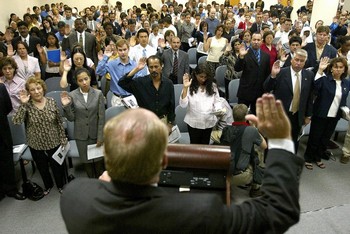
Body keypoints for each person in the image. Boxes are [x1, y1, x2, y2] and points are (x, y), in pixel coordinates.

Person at [60, 93, 304, 234]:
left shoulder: (75, 197)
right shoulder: (199, 213)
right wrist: (282, 141)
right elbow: (279, 211)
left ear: (107, 158)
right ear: (165, 160)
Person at [13, 77, 67, 195]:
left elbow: (59, 122)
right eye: (32, 90)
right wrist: (22, 105)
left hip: (54, 140)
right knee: (42, 168)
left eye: (38, 88)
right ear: (29, 92)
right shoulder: (26, 105)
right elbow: (16, 121)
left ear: (43, 88)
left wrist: (63, 139)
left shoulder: (52, 101)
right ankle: (48, 186)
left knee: (57, 166)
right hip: (36, 143)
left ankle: (60, 185)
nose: (36, 92)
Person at [304, 57, 350, 170]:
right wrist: (320, 70)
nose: (338, 70)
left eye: (341, 67)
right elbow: (315, 87)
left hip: (335, 116)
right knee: (315, 137)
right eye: (335, 67)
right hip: (321, 114)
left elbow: (342, 100)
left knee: (325, 139)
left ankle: (318, 158)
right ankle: (308, 158)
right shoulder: (325, 79)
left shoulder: (346, 83)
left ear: (344, 69)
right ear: (331, 68)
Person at [264, 49, 314, 151]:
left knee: (293, 141)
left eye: (302, 61)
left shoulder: (309, 75)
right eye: (296, 59)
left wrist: (308, 115)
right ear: (291, 59)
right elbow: (266, 88)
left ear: (305, 62)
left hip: (297, 115)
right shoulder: (281, 72)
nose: (298, 63)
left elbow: (309, 96)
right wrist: (273, 75)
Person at [61, 68, 105, 178]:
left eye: (86, 79)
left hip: (96, 134)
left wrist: (100, 137)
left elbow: (101, 117)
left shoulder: (98, 94)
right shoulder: (72, 95)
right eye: (81, 80)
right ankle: (91, 185)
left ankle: (101, 186)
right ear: (77, 82)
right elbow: (71, 118)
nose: (84, 82)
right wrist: (66, 106)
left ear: (90, 78)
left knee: (99, 164)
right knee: (87, 164)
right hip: (81, 135)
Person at [119, 55, 175, 132]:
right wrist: (137, 69)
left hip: (163, 121)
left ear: (161, 66)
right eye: (151, 67)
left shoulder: (168, 83)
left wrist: (170, 124)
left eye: (156, 66)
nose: (154, 70)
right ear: (148, 68)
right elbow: (122, 83)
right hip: (145, 122)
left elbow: (171, 105)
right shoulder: (140, 82)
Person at [220, 104, 267, 197]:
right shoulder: (251, 130)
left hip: (225, 173)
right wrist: (254, 128)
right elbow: (264, 145)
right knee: (259, 150)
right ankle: (256, 188)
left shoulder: (226, 130)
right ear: (246, 117)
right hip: (241, 176)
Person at [179, 63, 220, 144]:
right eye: (201, 76)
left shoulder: (212, 86)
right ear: (195, 74)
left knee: (205, 146)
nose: (203, 79)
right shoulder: (189, 86)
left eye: (205, 77)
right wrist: (185, 88)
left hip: (209, 121)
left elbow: (217, 101)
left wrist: (218, 109)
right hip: (194, 122)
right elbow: (183, 104)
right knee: (195, 147)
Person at [0, 82, 26, 201]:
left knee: (7, 160)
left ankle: (11, 189)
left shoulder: (1, 87)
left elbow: (7, 107)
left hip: (2, 131)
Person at [235, 32, 270, 114]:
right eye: (254, 39)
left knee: (256, 117)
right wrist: (241, 57)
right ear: (251, 41)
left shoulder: (266, 56)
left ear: (262, 41)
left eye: (258, 40)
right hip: (245, 91)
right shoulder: (245, 53)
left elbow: (267, 74)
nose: (256, 42)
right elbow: (237, 68)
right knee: (241, 116)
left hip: (259, 92)